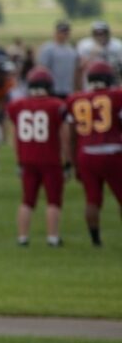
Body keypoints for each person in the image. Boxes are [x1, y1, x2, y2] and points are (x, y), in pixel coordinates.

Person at [5, 68, 69, 247]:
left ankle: (22, 237)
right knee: (53, 200)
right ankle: (53, 238)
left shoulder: (18, 105)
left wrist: (18, 159)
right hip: (50, 159)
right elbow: (64, 136)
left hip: (27, 159)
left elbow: (14, 136)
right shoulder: (56, 105)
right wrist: (68, 160)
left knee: (27, 200)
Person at [65, 61, 122, 247]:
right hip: (113, 151)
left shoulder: (75, 99)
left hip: (86, 153)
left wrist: (73, 161)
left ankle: (95, 240)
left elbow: (72, 135)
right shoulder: (117, 96)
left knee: (92, 199)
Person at [38, 21, 78, 98]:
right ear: (56, 32)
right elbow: (42, 68)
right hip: (52, 89)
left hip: (68, 89)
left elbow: (75, 70)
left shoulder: (71, 50)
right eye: (62, 32)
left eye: (66, 32)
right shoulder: (48, 48)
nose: (64, 34)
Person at [76, 21, 122, 86]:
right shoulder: (85, 45)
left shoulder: (117, 45)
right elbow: (80, 66)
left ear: (107, 33)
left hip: (111, 80)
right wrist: (93, 54)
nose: (100, 36)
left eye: (103, 33)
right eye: (97, 33)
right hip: (92, 81)